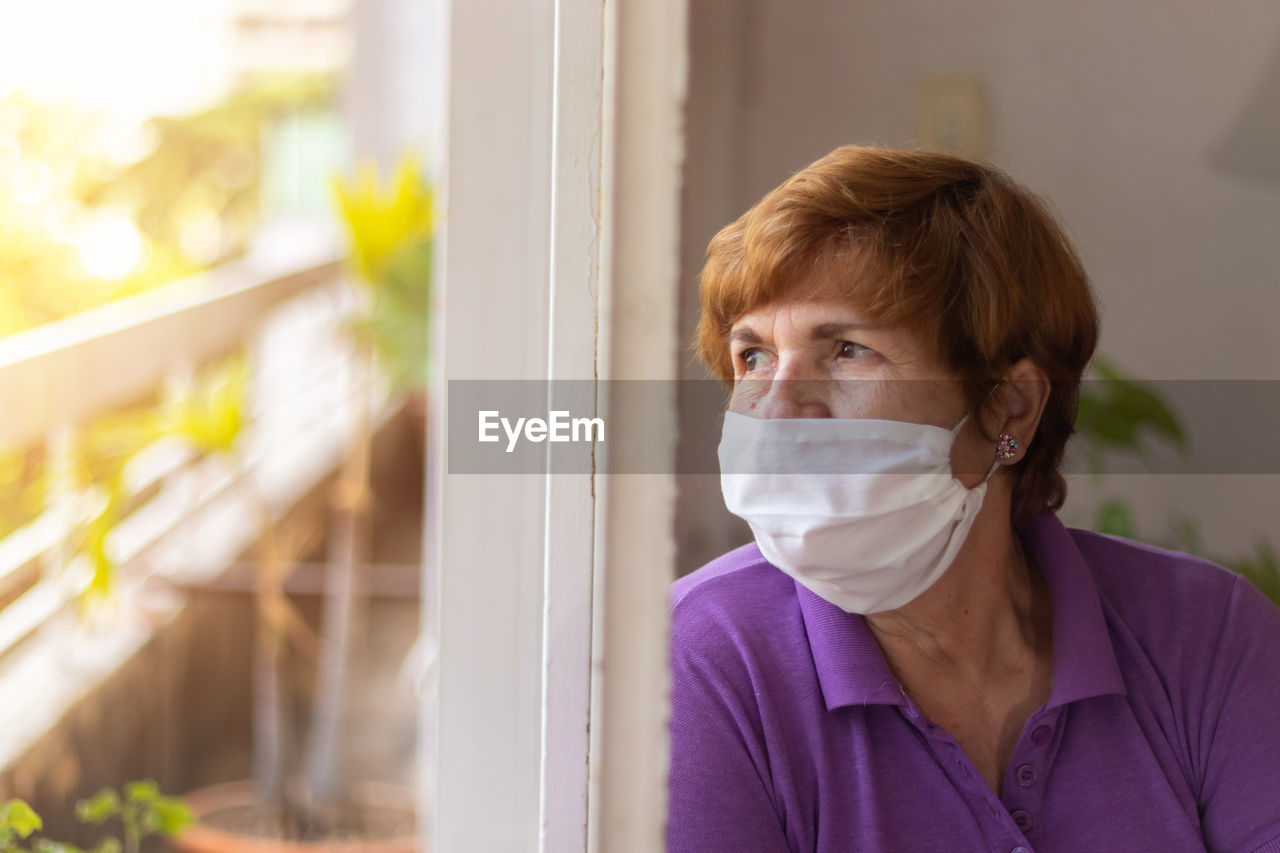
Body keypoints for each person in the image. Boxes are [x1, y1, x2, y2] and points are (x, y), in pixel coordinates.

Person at [668, 145, 1280, 852]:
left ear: (1010, 409)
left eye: (846, 349)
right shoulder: (697, 660)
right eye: (754, 356)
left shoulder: (1209, 635)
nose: (778, 406)